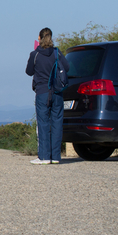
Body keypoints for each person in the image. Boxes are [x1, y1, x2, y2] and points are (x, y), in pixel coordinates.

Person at [25, 27, 70, 165]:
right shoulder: (57, 53)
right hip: (57, 92)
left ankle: (44, 157)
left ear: (39, 38)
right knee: (57, 123)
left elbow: (29, 71)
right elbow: (66, 68)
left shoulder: (35, 54)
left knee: (43, 123)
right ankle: (56, 156)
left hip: (42, 91)